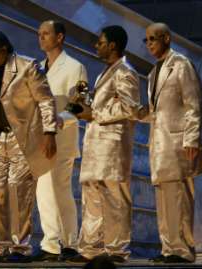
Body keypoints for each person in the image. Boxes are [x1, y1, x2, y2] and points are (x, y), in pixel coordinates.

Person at [0, 30, 58, 263]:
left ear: (4, 50)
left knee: (19, 192)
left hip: (22, 139)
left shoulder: (27, 67)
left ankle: (19, 247)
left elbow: (46, 100)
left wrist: (49, 132)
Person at [68, 25, 140, 263]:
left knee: (115, 198)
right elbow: (99, 107)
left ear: (112, 45)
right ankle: (91, 249)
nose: (96, 46)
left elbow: (129, 108)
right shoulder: (103, 73)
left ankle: (116, 250)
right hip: (95, 144)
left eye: (100, 42)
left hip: (112, 147)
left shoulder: (126, 72)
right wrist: (82, 103)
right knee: (92, 197)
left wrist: (95, 112)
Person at [140, 22, 202, 264]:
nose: (149, 44)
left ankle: (182, 249)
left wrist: (191, 138)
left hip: (178, 142)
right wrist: (138, 114)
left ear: (166, 38)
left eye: (153, 39)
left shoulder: (181, 65)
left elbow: (194, 103)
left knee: (179, 196)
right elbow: (158, 110)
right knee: (164, 198)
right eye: (146, 40)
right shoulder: (153, 71)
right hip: (159, 143)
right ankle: (169, 247)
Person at [34, 20, 88, 262]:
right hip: (40, 138)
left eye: (46, 33)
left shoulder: (75, 67)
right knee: (47, 190)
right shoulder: (37, 69)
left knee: (58, 190)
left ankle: (61, 243)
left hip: (62, 138)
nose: (41, 37)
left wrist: (59, 120)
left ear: (60, 37)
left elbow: (80, 105)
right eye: (39, 34)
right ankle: (59, 243)